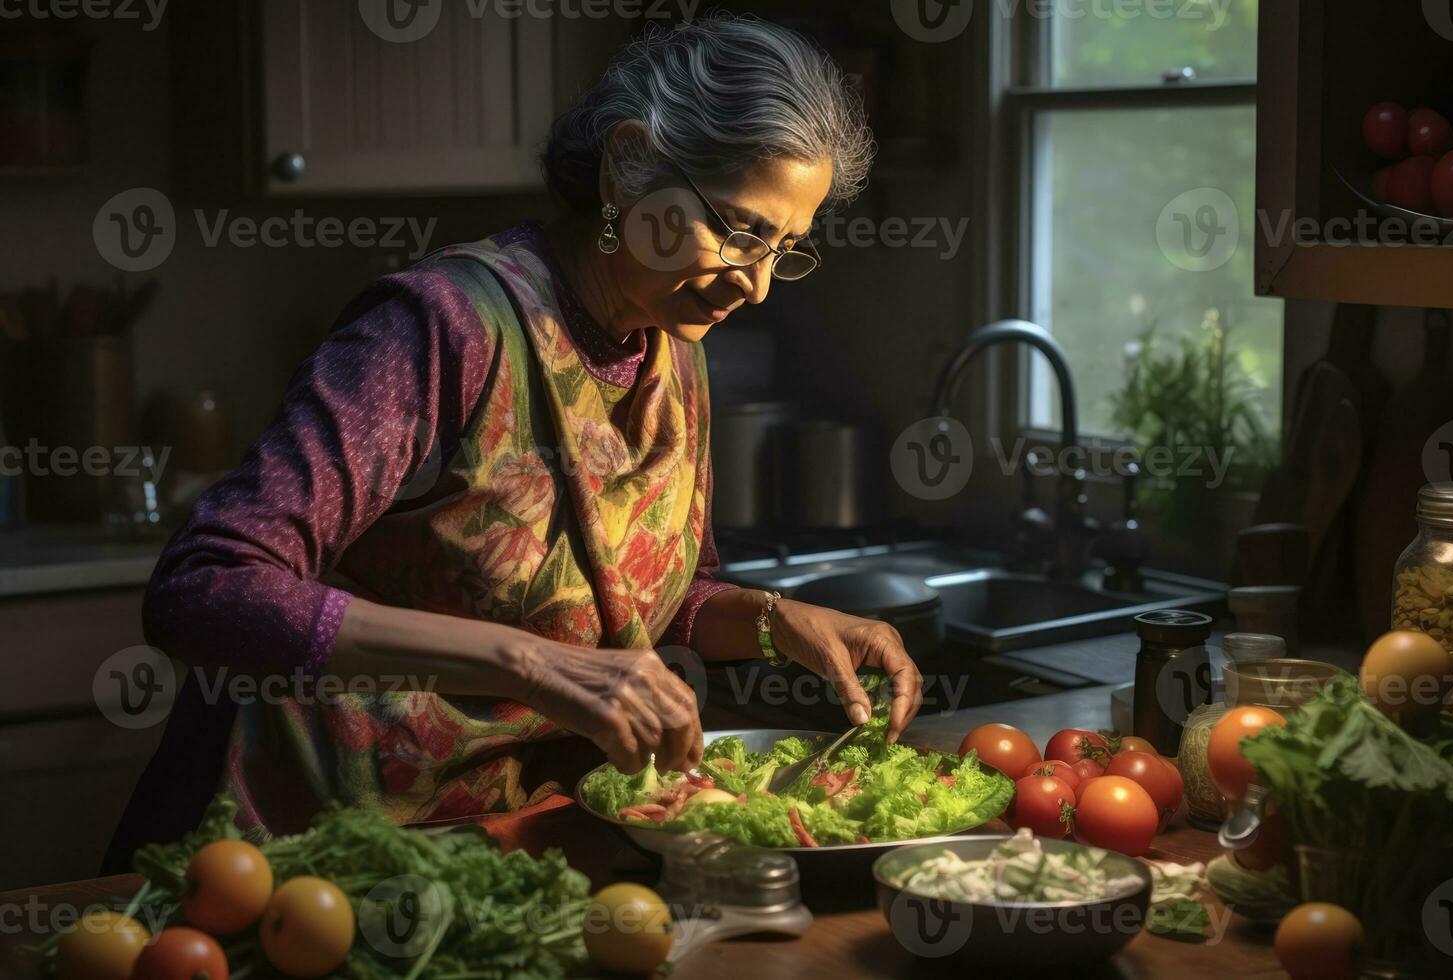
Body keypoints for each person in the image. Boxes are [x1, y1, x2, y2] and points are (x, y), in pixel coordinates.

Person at [108, 14, 920, 854]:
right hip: (301, 853)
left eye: (784, 249)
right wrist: (527, 663)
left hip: (505, 851)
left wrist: (771, 620)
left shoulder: (674, 348)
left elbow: (644, 608)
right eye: (739, 231)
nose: (754, 286)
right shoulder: (445, 327)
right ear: (628, 168)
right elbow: (203, 588)